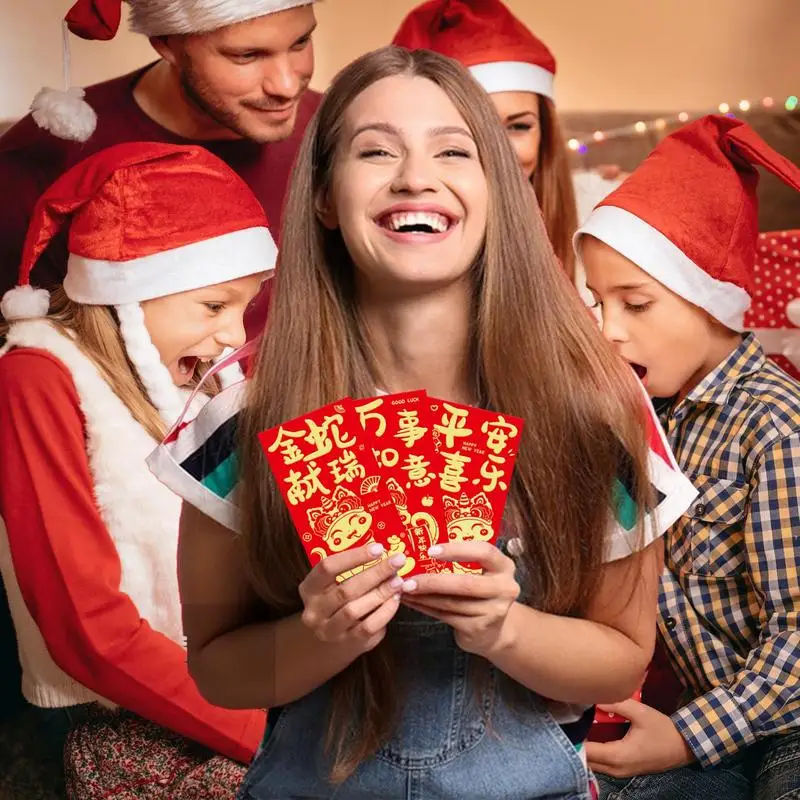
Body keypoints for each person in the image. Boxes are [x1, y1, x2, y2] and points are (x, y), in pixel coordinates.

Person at [148, 46, 698, 799]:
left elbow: (621, 661)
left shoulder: (594, 403)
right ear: (322, 197)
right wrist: (319, 636)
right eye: (375, 150)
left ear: (498, 191)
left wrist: (507, 629)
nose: (415, 176)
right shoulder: (244, 402)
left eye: (453, 151)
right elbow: (218, 669)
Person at [0, 142, 277, 796]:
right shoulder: (36, 378)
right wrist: (267, 734)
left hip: (239, 683)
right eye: (213, 306)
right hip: (114, 716)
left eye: (244, 306)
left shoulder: (207, 385)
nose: (237, 336)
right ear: (127, 294)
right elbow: (85, 629)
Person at [575, 115, 800, 800]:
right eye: (598, 303)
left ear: (710, 300)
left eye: (635, 303)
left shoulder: (776, 427)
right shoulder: (645, 416)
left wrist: (687, 737)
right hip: (710, 725)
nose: (609, 331)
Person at [0, 0, 320, 333]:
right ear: (165, 41)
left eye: (300, 42)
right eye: (247, 55)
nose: (285, 85)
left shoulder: (344, 132)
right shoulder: (44, 155)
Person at [391, 0, 622, 286]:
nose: (502, 153)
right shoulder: (400, 244)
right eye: (474, 128)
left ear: (544, 135)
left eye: (519, 126)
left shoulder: (602, 222)